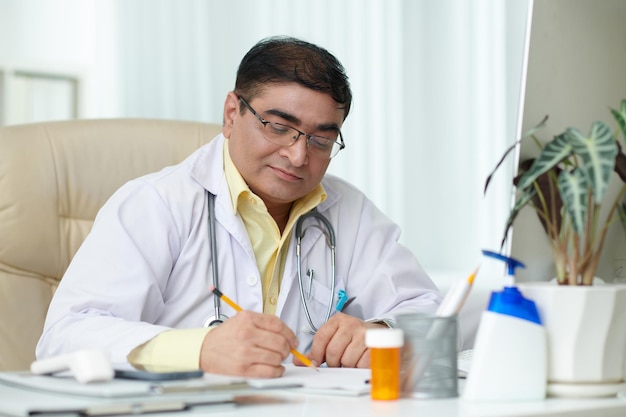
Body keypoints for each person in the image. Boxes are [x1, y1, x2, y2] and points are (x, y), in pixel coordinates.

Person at [36, 36, 441, 378]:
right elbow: (64, 337)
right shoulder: (156, 203)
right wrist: (201, 349)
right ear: (232, 113)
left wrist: (382, 331)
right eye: (279, 127)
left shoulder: (349, 211)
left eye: (320, 140)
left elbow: (428, 311)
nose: (299, 156)